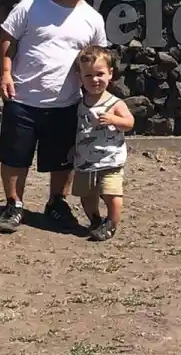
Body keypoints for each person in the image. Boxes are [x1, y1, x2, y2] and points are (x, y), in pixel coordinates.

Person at [0, 0, 108, 235]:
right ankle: (13, 204)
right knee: (15, 156)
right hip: (22, 98)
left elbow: (97, 59)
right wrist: (6, 72)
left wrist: (97, 96)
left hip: (66, 102)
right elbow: (7, 38)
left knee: (62, 160)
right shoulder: (30, 7)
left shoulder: (92, 19)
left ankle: (56, 203)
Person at [71, 45, 134, 242]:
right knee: (85, 195)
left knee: (111, 193)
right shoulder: (81, 102)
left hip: (110, 159)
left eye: (100, 74)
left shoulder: (115, 103)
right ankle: (95, 220)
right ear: (80, 77)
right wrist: (73, 148)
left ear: (110, 74)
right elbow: (80, 129)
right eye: (88, 75)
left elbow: (129, 123)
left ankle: (111, 223)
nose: (95, 80)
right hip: (84, 159)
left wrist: (114, 120)